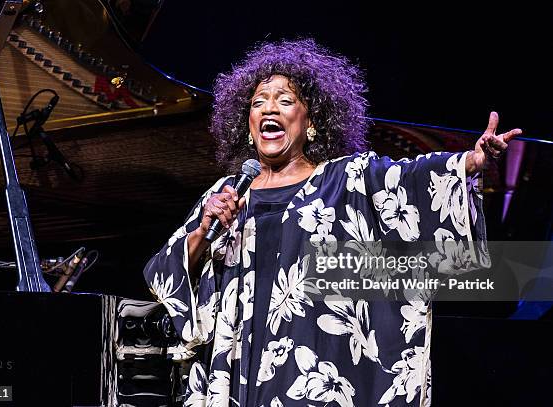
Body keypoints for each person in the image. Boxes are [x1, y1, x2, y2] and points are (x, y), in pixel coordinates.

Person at [143, 38, 520, 406]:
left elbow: (411, 179)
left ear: (311, 122)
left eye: (285, 101)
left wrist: (471, 162)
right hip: (238, 363)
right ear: (248, 124)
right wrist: (203, 232)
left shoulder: (345, 179)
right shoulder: (228, 191)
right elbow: (166, 271)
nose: (269, 109)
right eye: (259, 103)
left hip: (314, 363)